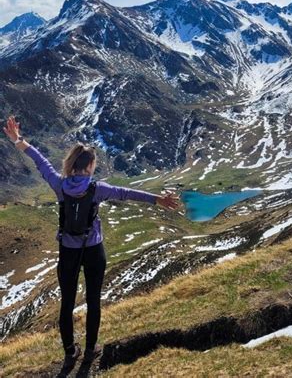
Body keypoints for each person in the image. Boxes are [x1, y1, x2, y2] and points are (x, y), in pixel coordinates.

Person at [3, 115, 180, 370]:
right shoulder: (97, 188)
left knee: (66, 302)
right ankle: (89, 351)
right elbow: (126, 193)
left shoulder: (60, 185)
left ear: (72, 164)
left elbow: (40, 161)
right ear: (89, 167)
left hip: (68, 251)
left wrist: (18, 141)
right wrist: (158, 200)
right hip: (94, 249)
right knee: (94, 299)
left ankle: (69, 352)